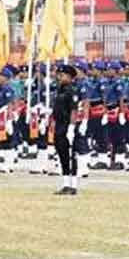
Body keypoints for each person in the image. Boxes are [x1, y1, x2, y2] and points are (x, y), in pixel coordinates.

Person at [53, 64, 79, 195]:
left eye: (62, 75)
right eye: (58, 74)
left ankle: (73, 185)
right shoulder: (60, 89)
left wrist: (72, 127)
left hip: (67, 125)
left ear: (69, 76)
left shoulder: (72, 90)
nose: (59, 77)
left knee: (70, 155)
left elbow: (74, 110)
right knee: (62, 154)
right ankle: (65, 184)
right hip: (59, 125)